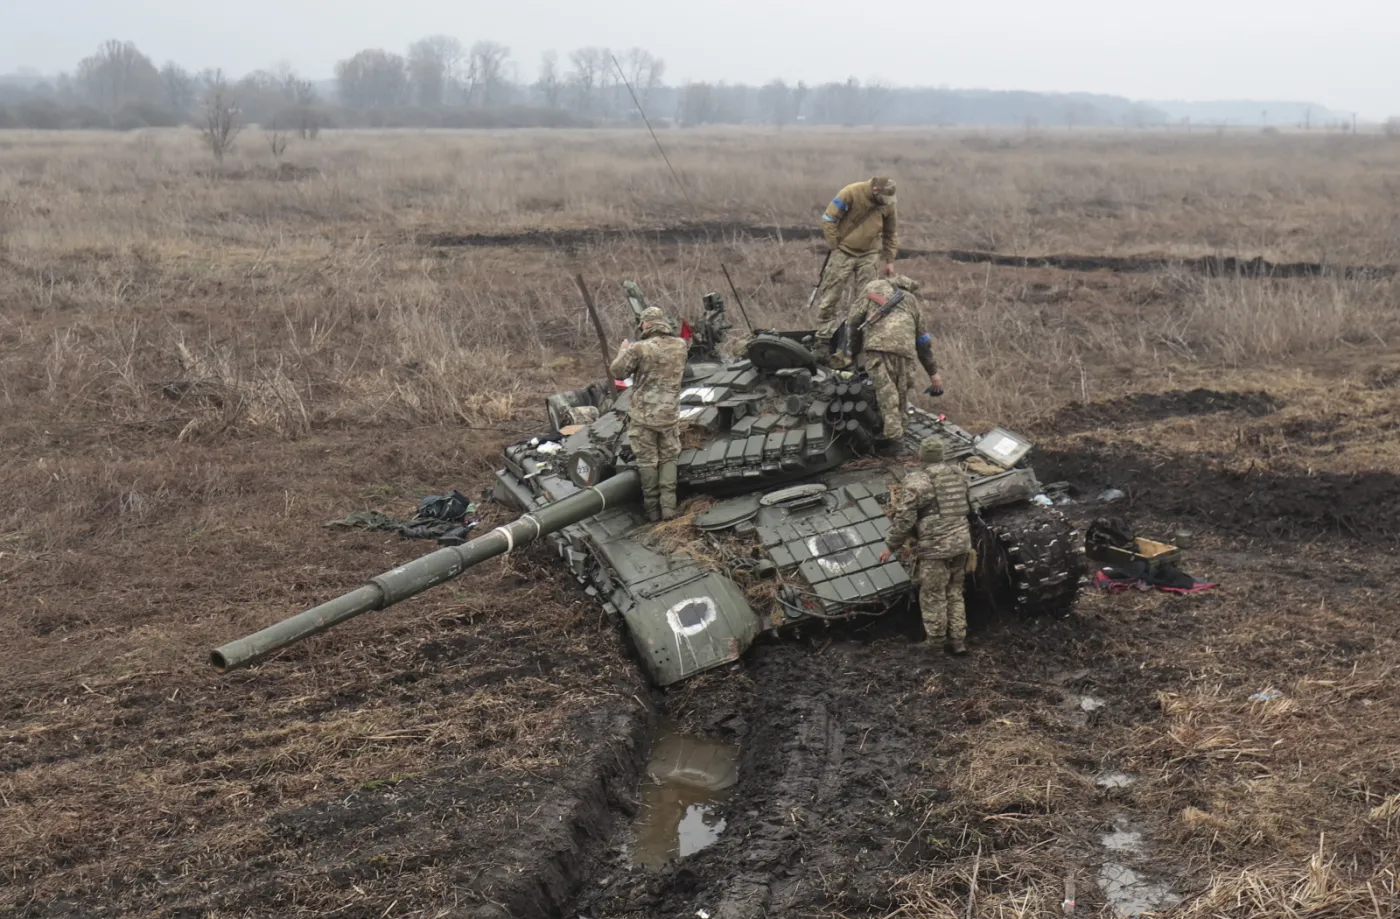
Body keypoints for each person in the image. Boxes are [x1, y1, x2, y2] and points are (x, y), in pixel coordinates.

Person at [879, 437, 973, 654]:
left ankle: (936, 643)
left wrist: (890, 546)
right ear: (942, 455)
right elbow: (968, 504)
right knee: (955, 591)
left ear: (921, 456)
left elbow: (905, 520)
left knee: (933, 594)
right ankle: (958, 641)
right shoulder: (958, 474)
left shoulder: (917, 481)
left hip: (935, 548)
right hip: (961, 543)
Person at [610, 306, 689, 522]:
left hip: (643, 416)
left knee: (647, 461)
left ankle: (652, 511)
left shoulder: (639, 348)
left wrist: (623, 350)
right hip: (670, 413)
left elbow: (617, 371)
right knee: (669, 457)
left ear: (645, 324)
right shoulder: (681, 345)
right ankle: (669, 508)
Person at [811, 176, 899, 360]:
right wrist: (834, 246)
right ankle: (823, 341)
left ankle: (856, 345)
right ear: (876, 191)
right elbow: (828, 219)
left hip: (870, 254)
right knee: (830, 297)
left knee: (867, 302)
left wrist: (889, 260)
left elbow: (891, 233)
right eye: (884, 198)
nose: (887, 203)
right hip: (843, 252)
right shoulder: (850, 192)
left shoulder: (888, 203)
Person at [846, 274, 941, 445]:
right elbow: (923, 342)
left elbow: (853, 321)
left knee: (886, 393)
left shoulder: (873, 286)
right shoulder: (912, 301)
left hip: (877, 348)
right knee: (900, 395)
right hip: (906, 352)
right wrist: (933, 373)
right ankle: (900, 431)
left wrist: (852, 350)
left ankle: (893, 440)